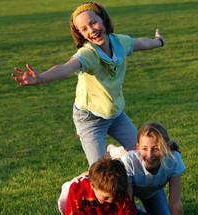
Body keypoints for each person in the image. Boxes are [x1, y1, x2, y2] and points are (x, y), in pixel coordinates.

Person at [11, 1, 165, 166]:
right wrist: (41, 77)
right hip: (90, 119)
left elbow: (141, 43)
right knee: (101, 171)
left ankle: (116, 152)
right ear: (80, 34)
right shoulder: (88, 54)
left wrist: (159, 42)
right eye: (84, 29)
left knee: (141, 157)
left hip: (116, 114)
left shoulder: (120, 42)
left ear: (104, 19)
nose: (92, 30)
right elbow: (66, 68)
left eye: (93, 22)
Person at [115, 122, 185, 215]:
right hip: (125, 195)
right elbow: (126, 204)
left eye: (155, 149)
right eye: (144, 149)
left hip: (151, 190)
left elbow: (175, 203)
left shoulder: (174, 160)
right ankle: (116, 151)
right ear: (138, 147)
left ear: (166, 147)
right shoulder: (129, 162)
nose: (150, 155)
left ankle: (139, 210)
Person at [60, 155, 138, 215]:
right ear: (92, 186)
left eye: (114, 197)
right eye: (106, 198)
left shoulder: (118, 191)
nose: (111, 201)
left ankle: (137, 212)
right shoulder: (78, 191)